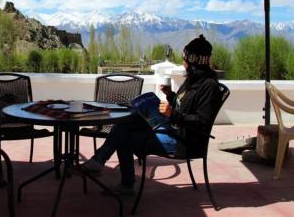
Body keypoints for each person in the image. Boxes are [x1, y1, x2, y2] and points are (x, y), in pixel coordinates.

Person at [81, 35, 223, 195]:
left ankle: (120, 178)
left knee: (124, 137)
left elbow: (202, 122)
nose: (183, 63)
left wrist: (173, 114)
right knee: (127, 120)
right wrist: (170, 95)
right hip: (172, 128)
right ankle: (100, 160)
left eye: (185, 59)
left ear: (194, 60)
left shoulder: (209, 87)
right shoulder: (192, 81)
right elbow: (184, 104)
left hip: (182, 140)